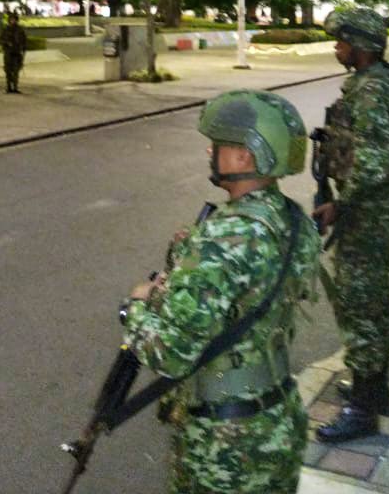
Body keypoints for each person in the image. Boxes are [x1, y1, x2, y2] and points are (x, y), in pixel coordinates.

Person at [123, 90, 321, 494]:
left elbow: (171, 354)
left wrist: (136, 308)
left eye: (219, 143)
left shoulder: (225, 235)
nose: (209, 150)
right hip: (279, 420)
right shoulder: (295, 222)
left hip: (227, 447)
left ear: (246, 156)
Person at [312, 6, 389, 442]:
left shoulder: (371, 90)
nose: (337, 47)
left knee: (359, 306)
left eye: (341, 39)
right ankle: (375, 389)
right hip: (372, 207)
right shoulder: (375, 83)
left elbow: (372, 160)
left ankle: (363, 411)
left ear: (360, 45)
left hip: (365, 211)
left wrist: (341, 205)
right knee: (374, 302)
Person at [0, 11, 27, 93]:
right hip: (8, 53)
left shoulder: (20, 29)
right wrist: (6, 43)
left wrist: (24, 50)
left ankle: (15, 87)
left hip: (17, 53)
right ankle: (8, 87)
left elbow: (24, 40)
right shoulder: (6, 29)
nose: (13, 21)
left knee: (16, 71)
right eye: (11, 19)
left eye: (14, 19)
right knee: (8, 70)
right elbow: (1, 39)